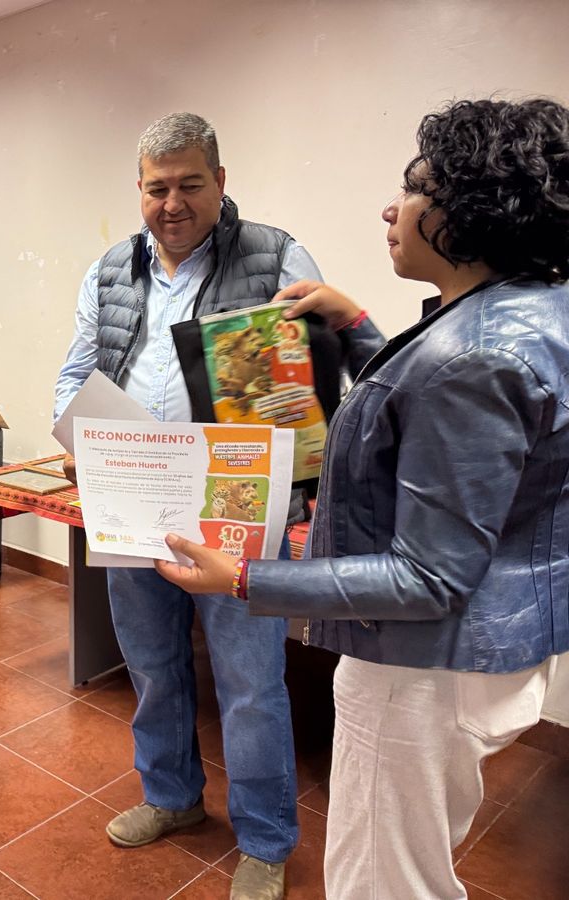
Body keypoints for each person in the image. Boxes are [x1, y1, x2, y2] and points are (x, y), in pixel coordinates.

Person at [154, 97, 569, 899]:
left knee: (382, 880)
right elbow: (438, 424)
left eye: (415, 188)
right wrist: (361, 327)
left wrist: (242, 578)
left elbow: (427, 577)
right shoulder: (532, 312)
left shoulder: (473, 355)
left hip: (422, 668)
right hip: (496, 639)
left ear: (473, 209)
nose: (391, 208)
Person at [53, 112, 383, 900]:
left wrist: (301, 462)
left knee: (249, 682)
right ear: (138, 189)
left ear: (221, 181)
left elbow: (322, 380)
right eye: (156, 188)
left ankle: (266, 840)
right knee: (153, 666)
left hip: (237, 507)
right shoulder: (110, 269)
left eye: (189, 185)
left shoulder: (276, 254)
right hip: (133, 499)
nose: (172, 204)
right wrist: (77, 435)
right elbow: (74, 376)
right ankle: (171, 798)